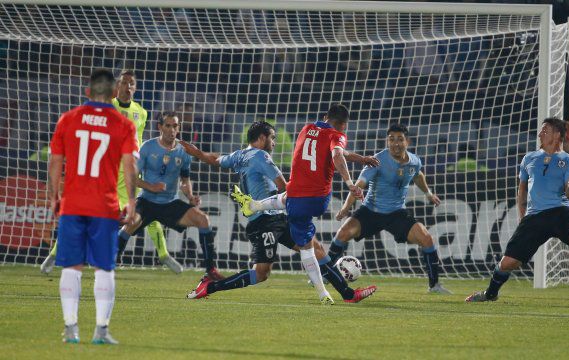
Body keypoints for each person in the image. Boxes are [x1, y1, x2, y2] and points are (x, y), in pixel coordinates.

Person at [182, 121, 376, 303]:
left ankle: (348, 294)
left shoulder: (239, 156)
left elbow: (214, 159)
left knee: (315, 249)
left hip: (276, 218)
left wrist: (195, 151)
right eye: (272, 137)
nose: (274, 143)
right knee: (261, 274)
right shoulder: (261, 156)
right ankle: (210, 287)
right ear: (261, 138)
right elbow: (284, 187)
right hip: (264, 221)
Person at [466, 117, 569, 307]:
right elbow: (522, 189)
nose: (540, 134)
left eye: (545, 130)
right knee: (508, 263)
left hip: (559, 212)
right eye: (541, 130)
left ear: (557, 135)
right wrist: (522, 215)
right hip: (534, 217)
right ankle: (490, 294)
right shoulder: (529, 158)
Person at [231, 104, 380, 305]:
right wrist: (350, 183)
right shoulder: (338, 135)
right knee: (309, 250)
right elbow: (337, 154)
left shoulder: (306, 128)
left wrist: (361, 159)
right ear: (344, 125)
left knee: (308, 238)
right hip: (315, 199)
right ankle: (327, 295)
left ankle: (256, 205)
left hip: (294, 193)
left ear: (325, 117)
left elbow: (336, 152)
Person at [40, 70, 182, 274]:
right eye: (124, 83)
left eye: (131, 83)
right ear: (116, 86)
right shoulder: (106, 106)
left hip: (125, 176)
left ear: (136, 87)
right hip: (103, 173)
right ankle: (53, 255)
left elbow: (138, 144)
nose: (128, 87)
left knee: (149, 213)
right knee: (79, 217)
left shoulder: (141, 112)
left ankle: (164, 255)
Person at [49, 69, 138, 344]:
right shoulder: (123, 125)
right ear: (114, 93)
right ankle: (101, 330)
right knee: (104, 268)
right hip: (105, 206)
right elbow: (130, 165)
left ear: (87, 92)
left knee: (70, 267)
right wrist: (132, 202)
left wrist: (54, 196)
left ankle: (70, 329)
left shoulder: (68, 119)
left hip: (73, 204)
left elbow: (54, 161)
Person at [329, 123, 451, 294]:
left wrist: (429, 194)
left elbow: (418, 175)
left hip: (396, 213)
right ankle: (325, 274)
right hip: (370, 211)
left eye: (399, 139)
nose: (395, 143)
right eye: (391, 139)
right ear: (387, 141)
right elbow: (359, 186)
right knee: (342, 234)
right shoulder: (377, 161)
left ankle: (435, 286)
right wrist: (345, 208)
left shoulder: (414, 161)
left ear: (407, 142)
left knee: (427, 239)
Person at [116, 111, 223, 281]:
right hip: (147, 201)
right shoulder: (148, 147)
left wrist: (190, 196)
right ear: (160, 127)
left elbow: (185, 180)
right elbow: (132, 178)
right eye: (168, 125)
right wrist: (151, 186)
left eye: (175, 126)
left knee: (204, 220)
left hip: (170, 203)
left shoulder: (184, 151)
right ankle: (113, 261)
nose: (172, 130)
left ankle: (211, 270)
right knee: (130, 222)